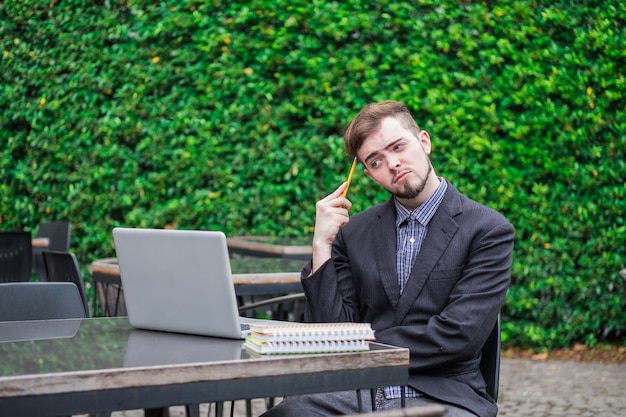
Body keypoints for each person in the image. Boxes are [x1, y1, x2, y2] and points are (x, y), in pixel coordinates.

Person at [261, 100, 514, 417]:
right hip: (355, 393)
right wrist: (321, 244)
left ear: (424, 141)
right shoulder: (353, 233)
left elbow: (457, 337)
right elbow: (331, 334)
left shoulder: (487, 230)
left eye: (398, 147)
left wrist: (358, 343)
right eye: (376, 161)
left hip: (443, 395)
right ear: (367, 174)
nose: (393, 163)